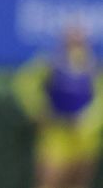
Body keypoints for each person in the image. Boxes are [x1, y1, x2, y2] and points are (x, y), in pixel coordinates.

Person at [13, 26, 103, 188]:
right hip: (55, 138)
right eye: (72, 38)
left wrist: (86, 122)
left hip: (85, 141)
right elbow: (25, 84)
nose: (76, 43)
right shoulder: (51, 62)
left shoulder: (93, 66)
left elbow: (100, 101)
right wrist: (39, 110)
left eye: (80, 39)